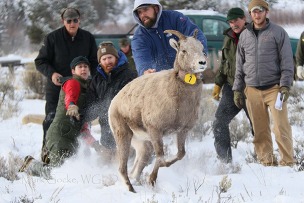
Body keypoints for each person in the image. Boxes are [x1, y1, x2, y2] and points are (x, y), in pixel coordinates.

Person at [232, 0, 294, 166]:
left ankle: (287, 163)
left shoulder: (278, 32)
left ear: (266, 12)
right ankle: (267, 163)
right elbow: (240, 66)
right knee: (260, 131)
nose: (257, 15)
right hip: (252, 90)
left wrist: (285, 85)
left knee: (281, 128)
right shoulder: (244, 36)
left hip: (275, 89)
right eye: (253, 12)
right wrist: (237, 89)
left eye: (260, 11)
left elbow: (287, 62)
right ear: (250, 14)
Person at [19, 56, 101, 178]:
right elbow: (70, 96)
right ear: (73, 71)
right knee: (56, 173)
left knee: (70, 171)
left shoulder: (87, 91)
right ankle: (31, 164)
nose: (83, 69)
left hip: (72, 140)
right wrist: (72, 105)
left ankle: (49, 158)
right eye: (80, 67)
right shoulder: (72, 83)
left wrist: (96, 145)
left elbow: (83, 128)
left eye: (85, 67)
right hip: (59, 136)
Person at [35, 7, 98, 162]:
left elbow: (94, 62)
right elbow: (40, 61)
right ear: (63, 21)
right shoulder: (52, 38)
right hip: (56, 87)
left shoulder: (88, 38)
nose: (72, 23)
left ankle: (81, 156)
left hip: (82, 88)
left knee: (82, 122)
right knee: (52, 119)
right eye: (68, 21)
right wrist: (52, 74)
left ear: (79, 20)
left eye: (75, 20)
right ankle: (47, 153)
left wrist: (94, 80)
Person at [212, 8, 254, 163]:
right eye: (230, 21)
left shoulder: (255, 34)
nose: (233, 24)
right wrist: (218, 83)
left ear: (244, 19)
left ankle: (265, 160)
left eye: (236, 20)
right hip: (231, 87)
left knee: (257, 125)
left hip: (252, 88)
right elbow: (225, 63)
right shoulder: (228, 37)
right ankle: (225, 161)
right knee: (219, 122)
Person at [84, 41, 137, 152]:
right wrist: (81, 116)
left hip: (129, 135)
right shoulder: (96, 80)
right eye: (104, 59)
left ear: (116, 57)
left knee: (129, 165)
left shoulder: (129, 75)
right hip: (107, 139)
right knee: (107, 166)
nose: (107, 61)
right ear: (100, 62)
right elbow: (91, 104)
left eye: (110, 57)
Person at [131, 0, 208, 76]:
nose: (142, 15)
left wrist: (201, 53)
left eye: (145, 9)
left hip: (187, 73)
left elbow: (195, 35)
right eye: (139, 12)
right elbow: (141, 57)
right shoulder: (139, 37)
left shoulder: (175, 18)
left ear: (156, 8)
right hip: (161, 81)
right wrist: (145, 70)